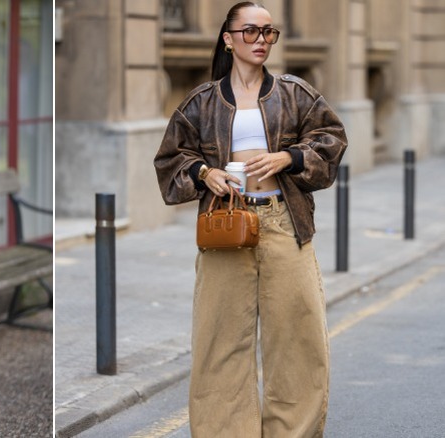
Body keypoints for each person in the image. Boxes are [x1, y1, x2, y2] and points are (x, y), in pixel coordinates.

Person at [154, 2, 347, 437]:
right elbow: (170, 159)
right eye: (251, 31)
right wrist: (206, 173)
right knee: (219, 345)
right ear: (228, 38)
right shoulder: (202, 101)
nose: (261, 40)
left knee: (299, 342)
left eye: (268, 32)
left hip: (283, 222)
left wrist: (289, 156)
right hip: (226, 225)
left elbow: (331, 141)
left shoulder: (295, 92)